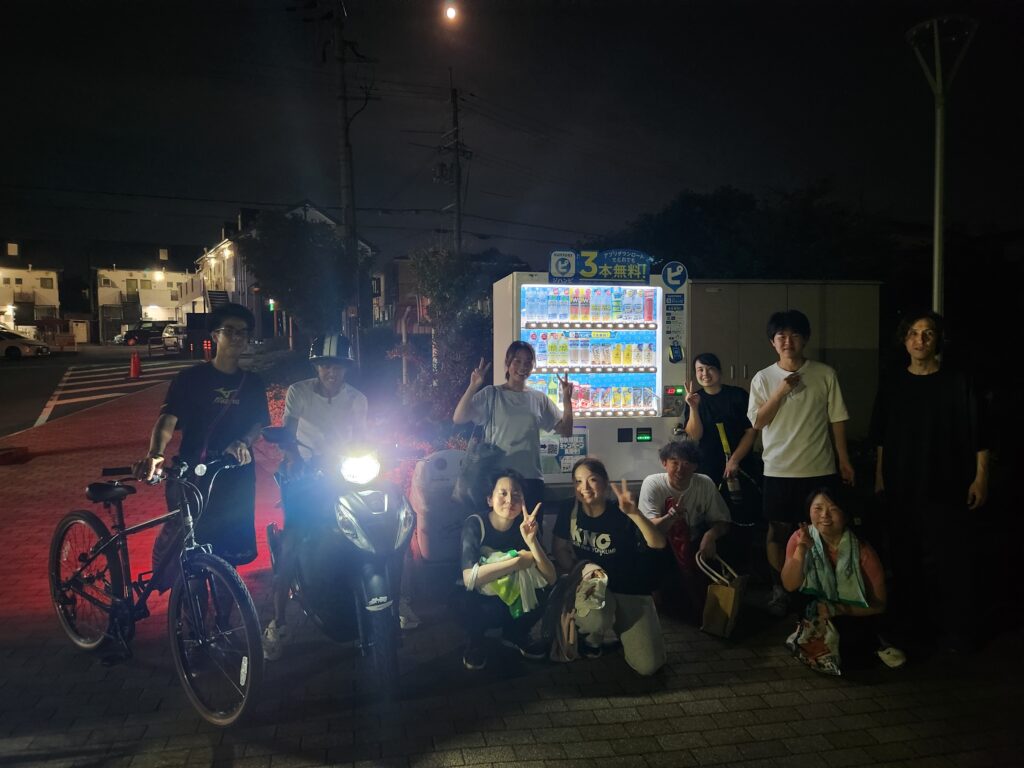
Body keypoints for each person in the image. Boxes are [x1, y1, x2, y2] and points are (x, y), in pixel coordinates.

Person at [870, 310, 989, 651]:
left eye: (927, 334)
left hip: (949, 485)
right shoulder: (893, 383)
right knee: (905, 560)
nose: (919, 340)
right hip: (902, 484)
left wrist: (981, 478)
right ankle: (913, 629)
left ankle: (957, 631)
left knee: (953, 560)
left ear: (938, 340)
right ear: (904, 340)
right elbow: (881, 436)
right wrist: (880, 477)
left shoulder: (958, 381)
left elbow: (981, 433)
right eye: (913, 333)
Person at [135, 303, 269, 588]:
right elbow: (168, 420)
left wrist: (243, 442)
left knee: (229, 558)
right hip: (194, 475)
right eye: (229, 331)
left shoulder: (253, 383)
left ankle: (226, 611)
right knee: (192, 554)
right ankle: (187, 608)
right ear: (215, 335)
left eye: (243, 332)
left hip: (235, 476)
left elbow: (259, 423)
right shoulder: (190, 379)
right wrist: (156, 453)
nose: (237, 337)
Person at [262, 334, 372, 661]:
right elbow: (288, 432)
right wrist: (295, 459)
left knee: (377, 527)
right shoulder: (298, 392)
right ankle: (278, 621)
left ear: (347, 368)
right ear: (316, 367)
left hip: (344, 471)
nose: (331, 372)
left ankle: (396, 599)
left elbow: (362, 438)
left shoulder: (357, 399)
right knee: (293, 539)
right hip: (305, 471)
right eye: (325, 366)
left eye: (337, 366)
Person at [748, 309, 854, 617]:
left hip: (819, 468)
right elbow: (758, 421)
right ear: (772, 342)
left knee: (823, 530)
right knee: (777, 531)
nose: (787, 341)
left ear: (805, 339)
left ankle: (821, 588)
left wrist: (844, 460)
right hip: (778, 469)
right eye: (780, 335)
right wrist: (781, 390)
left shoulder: (825, 374)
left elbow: (837, 420)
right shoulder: (763, 378)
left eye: (794, 334)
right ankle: (781, 588)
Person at [552, 457, 667, 675]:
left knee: (648, 666)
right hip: (592, 584)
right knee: (594, 618)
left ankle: (621, 631)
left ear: (605, 482)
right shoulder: (569, 508)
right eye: (578, 481)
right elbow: (559, 548)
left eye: (592, 480)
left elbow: (658, 543)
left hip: (629, 588)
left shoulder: (621, 511)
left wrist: (634, 513)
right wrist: (577, 574)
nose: (585, 487)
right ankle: (592, 640)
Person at [781, 487, 905, 670]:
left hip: (850, 615)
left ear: (846, 515)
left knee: (850, 656)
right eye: (818, 509)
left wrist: (838, 609)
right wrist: (801, 550)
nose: (824, 515)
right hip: (816, 613)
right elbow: (790, 585)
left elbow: (879, 604)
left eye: (833, 509)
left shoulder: (862, 550)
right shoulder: (800, 537)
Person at [453, 341, 573, 515]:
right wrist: (473, 386)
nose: (523, 366)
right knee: (501, 531)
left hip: (531, 479)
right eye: (517, 361)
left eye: (528, 362)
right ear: (508, 363)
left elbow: (566, 430)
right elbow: (459, 418)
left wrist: (567, 401)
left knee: (532, 530)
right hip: (499, 480)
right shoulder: (491, 394)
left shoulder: (539, 398)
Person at [460, 469, 555, 670]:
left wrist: (532, 542)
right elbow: (470, 578)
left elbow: (551, 577)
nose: (510, 500)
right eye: (502, 493)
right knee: (479, 607)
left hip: (513, 593)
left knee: (544, 592)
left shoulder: (525, 526)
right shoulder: (475, 524)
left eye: (516, 495)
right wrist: (516, 562)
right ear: (489, 499)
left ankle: (516, 634)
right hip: (481, 597)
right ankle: (476, 640)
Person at [638, 441, 732, 623]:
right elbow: (649, 528)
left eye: (687, 463)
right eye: (674, 462)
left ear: (695, 466)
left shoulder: (704, 483)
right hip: (662, 543)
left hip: (693, 541)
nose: (680, 469)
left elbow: (723, 521)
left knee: (726, 543)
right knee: (646, 547)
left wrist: (710, 535)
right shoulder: (653, 483)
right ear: (664, 463)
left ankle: (714, 603)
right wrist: (671, 517)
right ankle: (654, 598)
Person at [682, 352, 757, 517]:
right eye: (700, 369)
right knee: (711, 512)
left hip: (740, 463)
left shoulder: (738, 395)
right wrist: (694, 408)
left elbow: (751, 431)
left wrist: (734, 460)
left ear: (720, 371)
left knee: (743, 511)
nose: (705, 374)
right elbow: (695, 436)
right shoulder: (694, 399)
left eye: (710, 368)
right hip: (709, 464)